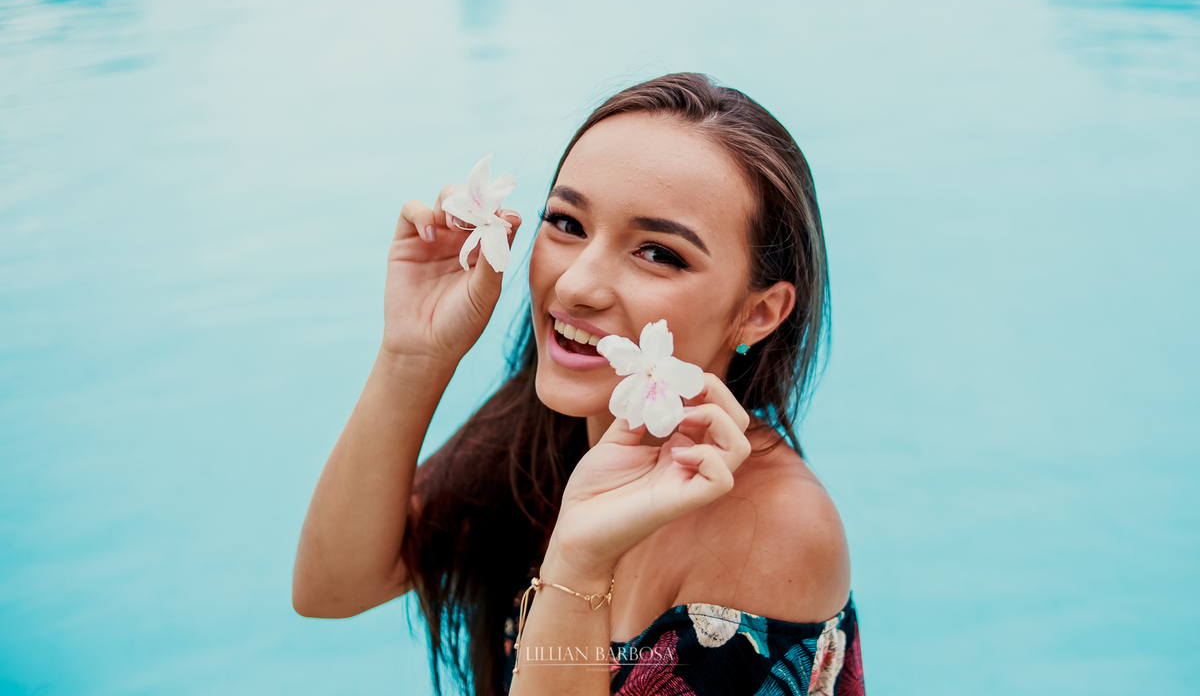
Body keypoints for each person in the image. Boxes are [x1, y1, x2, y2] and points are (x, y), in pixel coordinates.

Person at [292, 73, 866, 696]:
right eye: (566, 223)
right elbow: (333, 588)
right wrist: (412, 355)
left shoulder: (776, 529)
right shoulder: (546, 440)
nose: (574, 286)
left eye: (658, 253)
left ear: (758, 312)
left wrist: (578, 563)